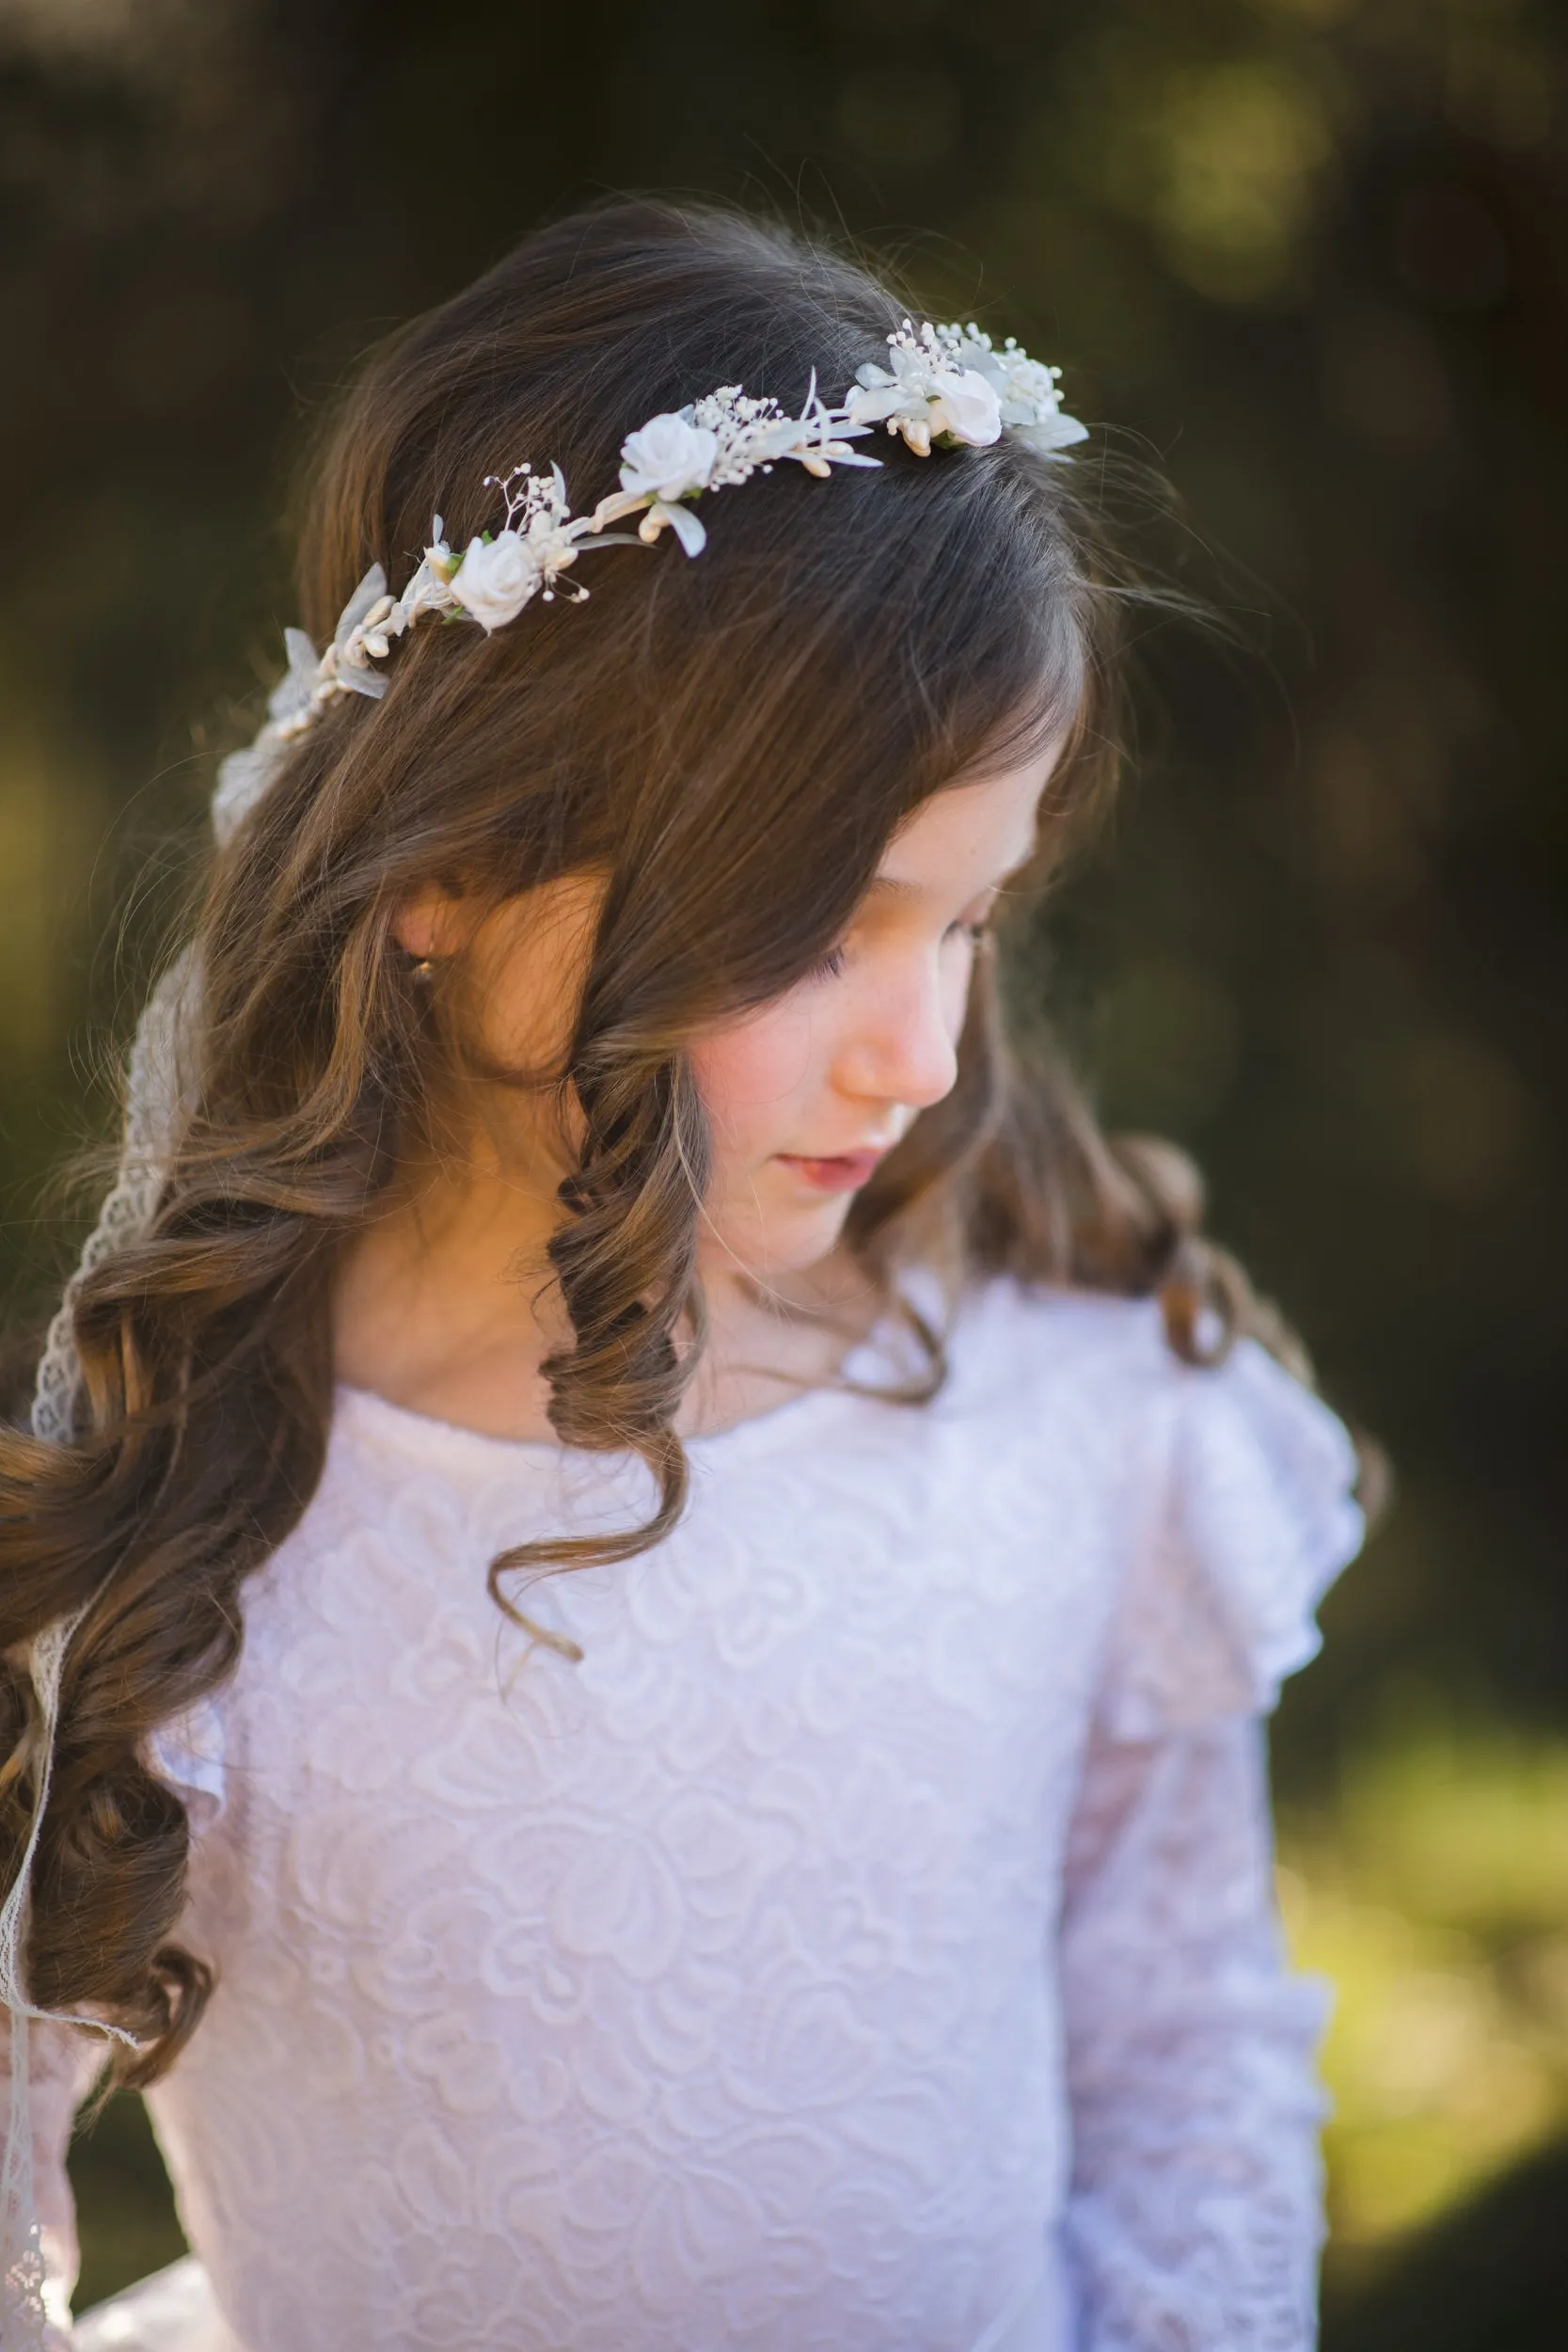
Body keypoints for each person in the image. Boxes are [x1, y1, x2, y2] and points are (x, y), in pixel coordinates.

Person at [0, 198, 1367, 2352]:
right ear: (446, 866)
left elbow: (1185, 2055)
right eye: (828, 925)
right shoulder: (179, 1508)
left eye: (969, 919)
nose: (920, 1054)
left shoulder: (1065, 1407)